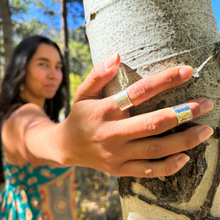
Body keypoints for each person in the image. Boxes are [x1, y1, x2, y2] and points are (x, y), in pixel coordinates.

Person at [0, 35, 213, 219]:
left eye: (58, 67)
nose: (54, 74)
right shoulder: (19, 117)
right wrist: (68, 141)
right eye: (42, 64)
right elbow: (40, 137)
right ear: (21, 68)